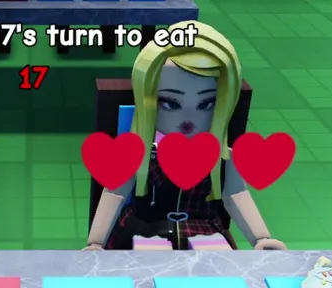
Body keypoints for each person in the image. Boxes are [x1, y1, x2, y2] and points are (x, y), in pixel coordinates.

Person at [85, 21, 287, 252]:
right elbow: (115, 193)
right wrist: (95, 243)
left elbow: (236, 194)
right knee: (146, 263)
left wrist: (261, 238)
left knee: (216, 266)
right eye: (170, 103)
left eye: (207, 103)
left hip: (204, 231)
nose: (189, 118)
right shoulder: (138, 154)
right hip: (145, 229)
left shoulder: (222, 158)